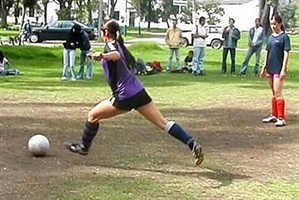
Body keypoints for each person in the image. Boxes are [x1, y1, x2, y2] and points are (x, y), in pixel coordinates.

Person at [65, 19, 204, 166]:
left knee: (92, 116)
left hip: (125, 96)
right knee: (163, 123)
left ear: (106, 32)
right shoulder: (119, 44)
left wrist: (103, 56)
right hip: (139, 92)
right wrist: (99, 56)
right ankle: (191, 142)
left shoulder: (112, 46)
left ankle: (84, 148)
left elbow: (116, 55)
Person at [260, 14, 291, 127]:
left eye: (275, 23)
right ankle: (274, 114)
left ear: (279, 23)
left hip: (278, 68)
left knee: (278, 93)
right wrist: (264, 68)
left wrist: (283, 69)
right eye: (271, 24)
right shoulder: (271, 37)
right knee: (273, 92)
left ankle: (281, 118)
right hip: (270, 68)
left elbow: (286, 53)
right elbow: (267, 53)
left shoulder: (284, 37)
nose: (273, 26)